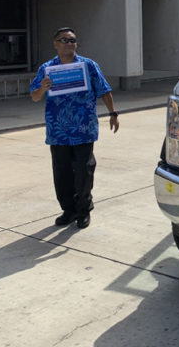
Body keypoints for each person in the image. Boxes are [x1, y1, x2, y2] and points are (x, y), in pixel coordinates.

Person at [29, 27, 119, 229]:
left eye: (72, 40)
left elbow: (104, 90)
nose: (69, 43)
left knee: (84, 171)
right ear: (55, 44)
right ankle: (68, 209)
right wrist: (42, 88)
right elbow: (34, 97)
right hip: (58, 130)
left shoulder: (88, 65)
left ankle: (83, 209)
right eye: (64, 40)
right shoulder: (47, 68)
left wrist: (113, 113)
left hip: (84, 128)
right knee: (62, 173)